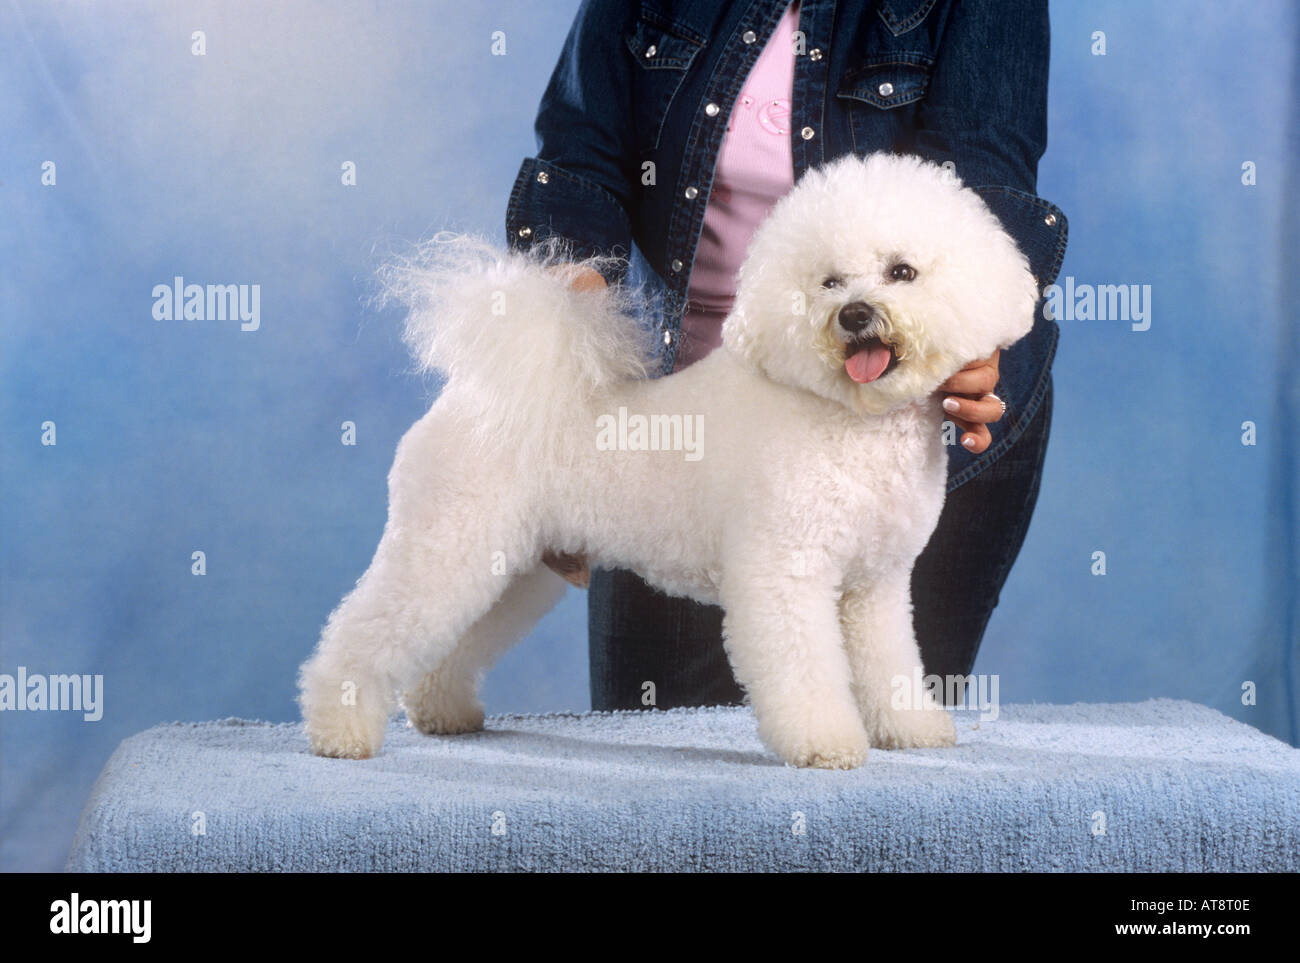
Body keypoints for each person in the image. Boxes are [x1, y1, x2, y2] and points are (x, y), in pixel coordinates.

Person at [506, 0, 1068, 710]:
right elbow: (578, 163)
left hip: (917, 422)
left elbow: (985, 183)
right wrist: (568, 407)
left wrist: (974, 348)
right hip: (679, 422)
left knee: (887, 754)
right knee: (658, 766)